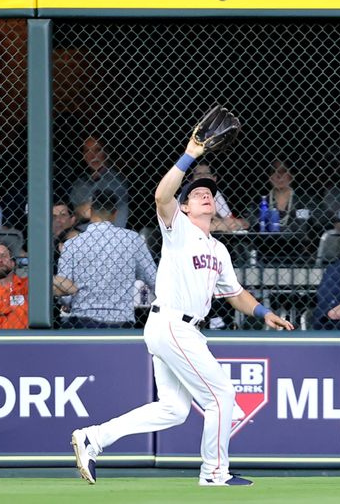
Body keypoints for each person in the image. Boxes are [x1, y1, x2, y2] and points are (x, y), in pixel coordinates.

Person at [70, 132, 294, 487]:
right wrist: (190, 154)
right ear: (186, 207)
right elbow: (161, 196)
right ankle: (214, 473)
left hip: (180, 329)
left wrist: (263, 312)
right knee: (221, 395)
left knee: (174, 410)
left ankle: (92, 438)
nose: (204, 195)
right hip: (172, 323)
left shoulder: (218, 249)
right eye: (196, 194)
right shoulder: (179, 229)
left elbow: (235, 293)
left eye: (209, 193)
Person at [57, 191, 157, 329]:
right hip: (121, 321)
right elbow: (154, 280)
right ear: (115, 213)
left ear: (91, 212)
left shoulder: (72, 244)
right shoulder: (132, 239)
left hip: (82, 321)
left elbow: (65, 295)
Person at [0, 243, 77, 330]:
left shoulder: (27, 283)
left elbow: (71, 289)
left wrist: (40, 271)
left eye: (4, 256)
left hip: (22, 344)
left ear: (13, 263)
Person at [69, 135, 130, 228]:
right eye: (87, 151)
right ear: (83, 156)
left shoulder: (116, 181)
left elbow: (98, 214)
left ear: (106, 152)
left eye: (97, 150)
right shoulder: (79, 184)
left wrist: (81, 211)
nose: (92, 156)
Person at [190, 163, 249, 232]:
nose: (203, 176)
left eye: (207, 173)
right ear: (191, 180)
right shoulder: (188, 194)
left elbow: (230, 220)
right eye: (198, 174)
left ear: (214, 178)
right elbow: (190, 225)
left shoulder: (215, 193)